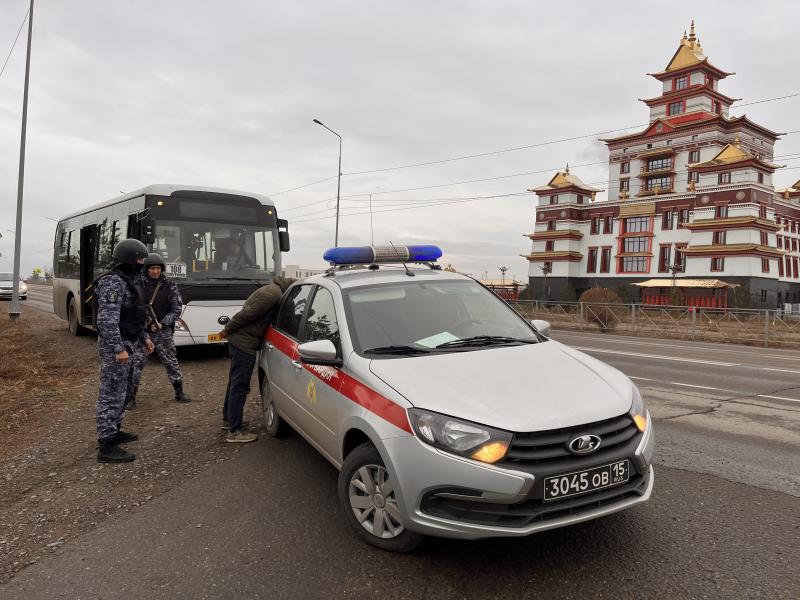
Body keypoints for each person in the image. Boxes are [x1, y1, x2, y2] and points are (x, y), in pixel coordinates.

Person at [94, 239, 154, 463]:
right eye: (139, 260)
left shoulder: (130, 281)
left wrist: (145, 339)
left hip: (130, 343)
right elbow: (107, 321)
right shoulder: (113, 283)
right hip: (116, 347)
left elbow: (135, 317)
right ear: (128, 260)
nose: (142, 264)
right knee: (110, 394)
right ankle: (106, 444)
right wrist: (118, 349)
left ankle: (114, 430)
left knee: (122, 392)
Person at [218, 275, 294, 442]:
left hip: (241, 342)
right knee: (240, 386)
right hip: (244, 344)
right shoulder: (272, 294)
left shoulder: (272, 290)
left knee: (234, 384)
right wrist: (227, 329)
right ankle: (234, 431)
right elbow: (246, 314)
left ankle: (229, 421)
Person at [130, 253, 192, 406]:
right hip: (143, 332)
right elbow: (132, 308)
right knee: (136, 363)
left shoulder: (169, 285)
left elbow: (176, 309)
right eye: (152, 268)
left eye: (158, 268)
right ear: (146, 269)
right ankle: (131, 397)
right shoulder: (138, 284)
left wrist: (162, 324)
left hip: (163, 331)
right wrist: (145, 324)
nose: (155, 271)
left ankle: (179, 392)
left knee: (170, 361)